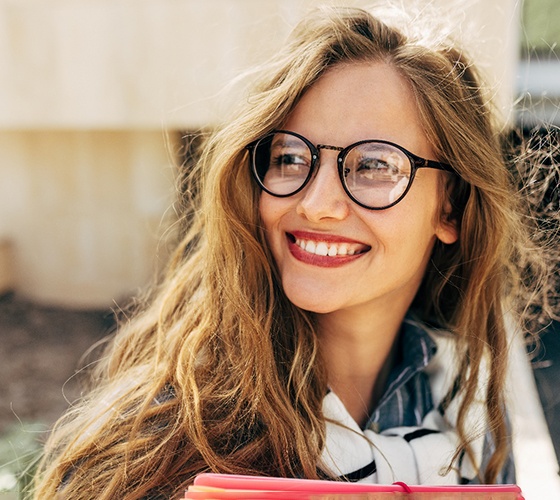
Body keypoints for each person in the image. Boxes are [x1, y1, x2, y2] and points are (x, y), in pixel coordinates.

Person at [32, 5, 558, 499]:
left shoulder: (468, 409)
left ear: (451, 208)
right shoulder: (163, 442)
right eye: (290, 156)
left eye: (374, 165)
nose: (316, 203)